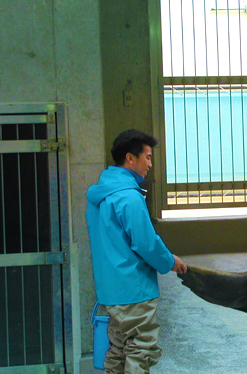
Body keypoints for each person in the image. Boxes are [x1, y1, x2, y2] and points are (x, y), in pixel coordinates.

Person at [86, 129, 187, 374]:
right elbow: (145, 243)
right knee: (140, 350)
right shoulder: (128, 198)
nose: (150, 164)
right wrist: (170, 261)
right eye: (148, 157)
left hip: (110, 291)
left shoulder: (98, 196)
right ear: (131, 159)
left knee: (118, 351)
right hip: (134, 290)